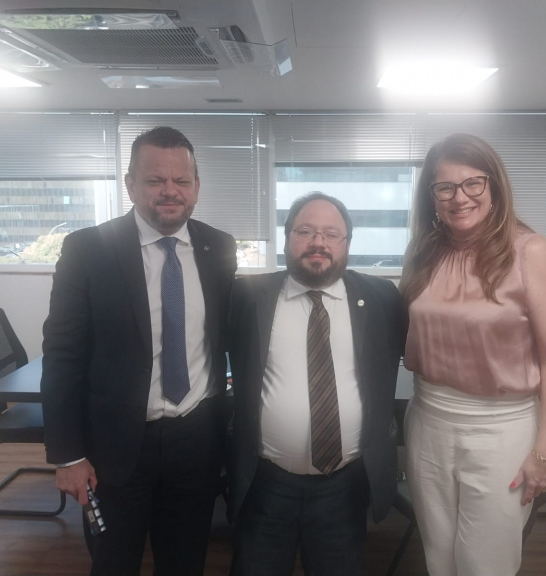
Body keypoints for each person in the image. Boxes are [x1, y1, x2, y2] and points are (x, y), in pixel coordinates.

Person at [40, 126, 237, 576]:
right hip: (114, 449)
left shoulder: (219, 247)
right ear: (130, 185)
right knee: (114, 563)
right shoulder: (87, 250)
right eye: (154, 180)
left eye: (181, 180)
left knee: (185, 562)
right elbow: (62, 356)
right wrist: (68, 455)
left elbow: (227, 333)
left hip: (196, 442)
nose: (170, 191)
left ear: (196, 187)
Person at [399, 133, 546, 576]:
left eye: (472, 183)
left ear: (494, 185)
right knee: (438, 555)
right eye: (445, 187)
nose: (460, 197)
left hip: (501, 429)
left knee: (485, 563)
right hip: (428, 420)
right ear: (432, 196)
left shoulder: (531, 252)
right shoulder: (424, 252)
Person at [227, 192, 408, 576]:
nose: (318, 242)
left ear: (347, 243)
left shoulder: (381, 298)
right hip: (265, 483)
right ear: (287, 238)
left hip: (344, 487)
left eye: (331, 234)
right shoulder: (248, 296)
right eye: (305, 231)